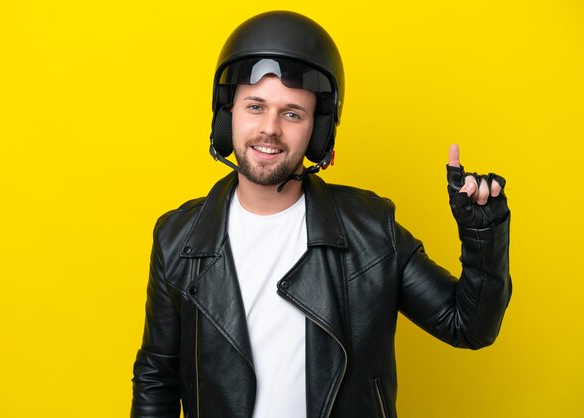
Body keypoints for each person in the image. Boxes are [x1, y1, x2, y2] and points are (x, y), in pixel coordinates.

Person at [131, 10, 512, 418]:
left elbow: (468, 326)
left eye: (292, 113)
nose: (270, 128)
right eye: (255, 107)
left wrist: (482, 234)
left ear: (319, 132)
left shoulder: (371, 231)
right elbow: (158, 376)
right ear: (228, 115)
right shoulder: (176, 239)